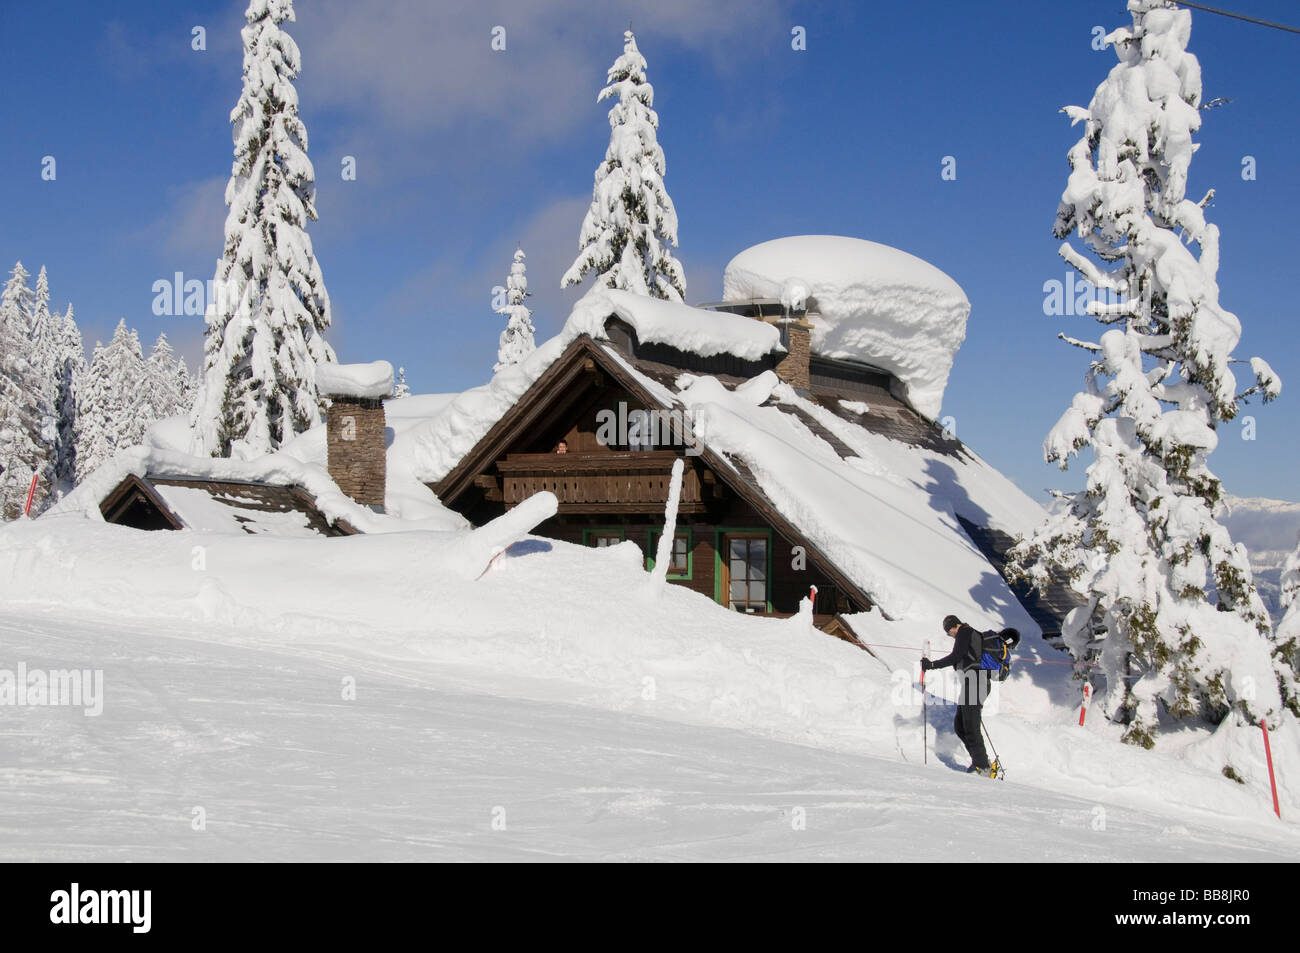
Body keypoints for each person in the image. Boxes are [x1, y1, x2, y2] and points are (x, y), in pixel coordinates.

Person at [921, 614, 993, 777]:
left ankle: (982, 767)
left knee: (970, 725)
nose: (950, 635)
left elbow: (956, 655)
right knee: (960, 725)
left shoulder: (965, 632)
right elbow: (960, 658)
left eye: (948, 632)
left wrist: (932, 665)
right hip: (972, 682)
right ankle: (980, 761)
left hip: (977, 681)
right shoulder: (967, 634)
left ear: (953, 627)